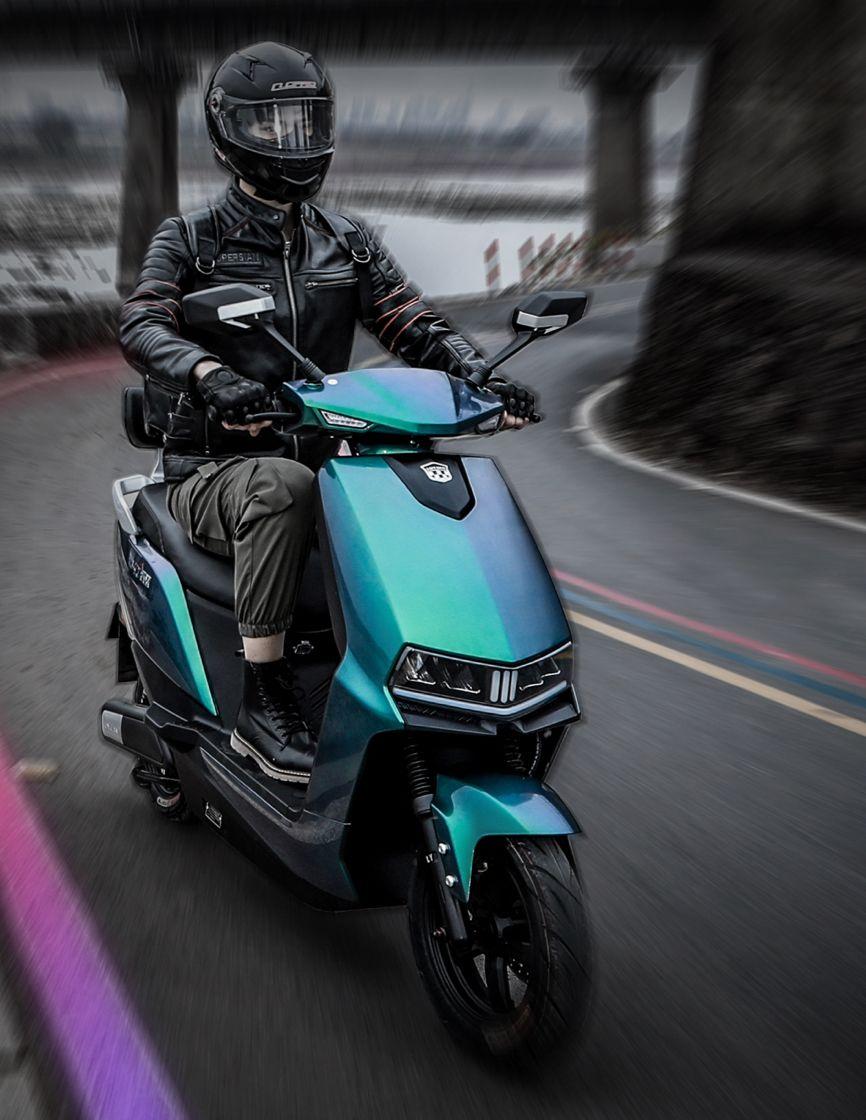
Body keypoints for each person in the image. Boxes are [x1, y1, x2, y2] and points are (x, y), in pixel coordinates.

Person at [119, 41, 537, 784]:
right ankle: (263, 700)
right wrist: (210, 374)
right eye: (274, 125)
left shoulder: (347, 242)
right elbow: (143, 322)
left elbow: (412, 322)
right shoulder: (190, 243)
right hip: (213, 470)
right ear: (230, 133)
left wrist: (482, 376)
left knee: (425, 486)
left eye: (308, 122)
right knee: (282, 485)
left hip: (329, 462)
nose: (296, 140)